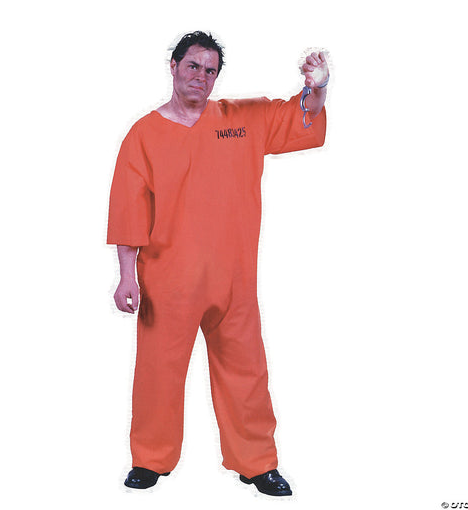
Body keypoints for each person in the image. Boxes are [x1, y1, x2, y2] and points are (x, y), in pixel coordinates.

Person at [107, 31, 328, 497]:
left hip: (233, 281)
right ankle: (149, 459)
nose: (201, 76)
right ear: (173, 66)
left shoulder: (241, 120)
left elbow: (300, 114)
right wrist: (126, 276)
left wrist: (318, 86)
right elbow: (129, 209)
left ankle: (257, 463)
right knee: (158, 374)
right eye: (193, 66)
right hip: (169, 280)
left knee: (247, 372)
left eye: (210, 70)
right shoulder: (144, 134)